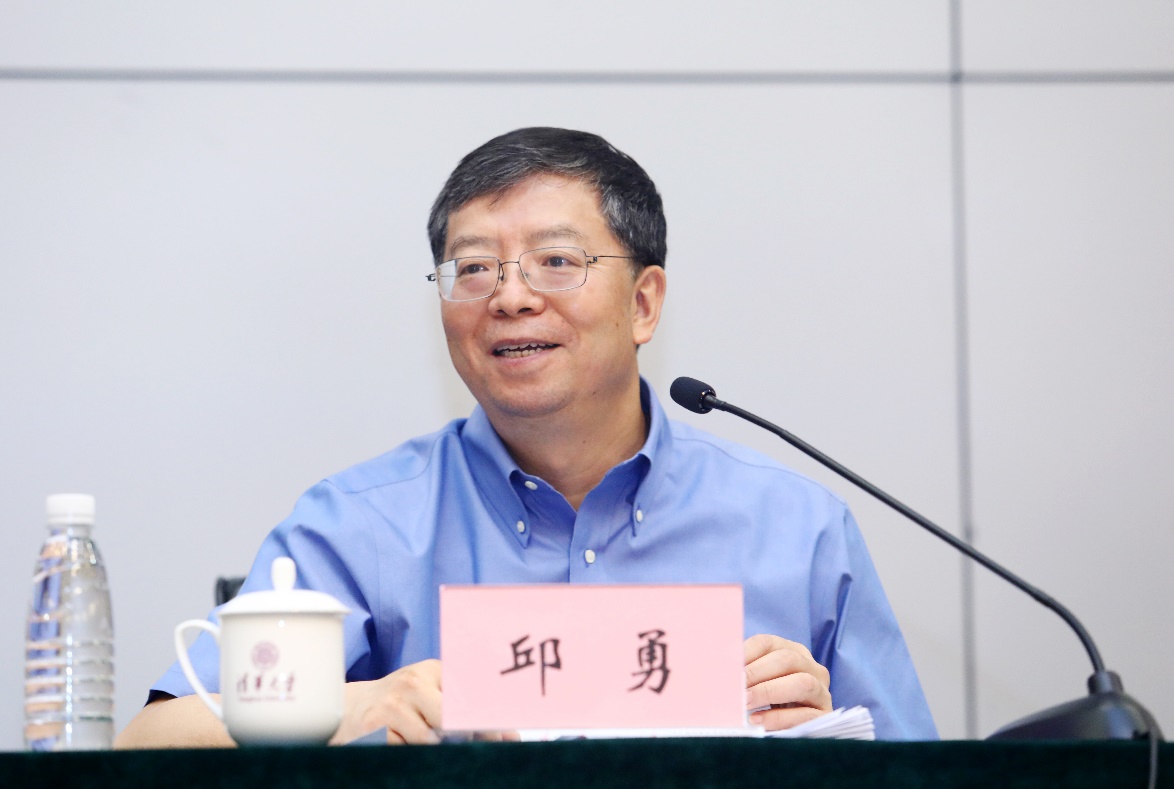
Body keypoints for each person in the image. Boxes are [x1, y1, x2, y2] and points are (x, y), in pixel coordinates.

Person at [116, 127, 937, 747]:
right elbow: (149, 742)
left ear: (644, 303)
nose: (509, 298)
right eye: (474, 268)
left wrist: (826, 743)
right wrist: (354, 706)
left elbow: (921, 770)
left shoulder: (799, 530)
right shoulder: (361, 526)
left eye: (555, 261)